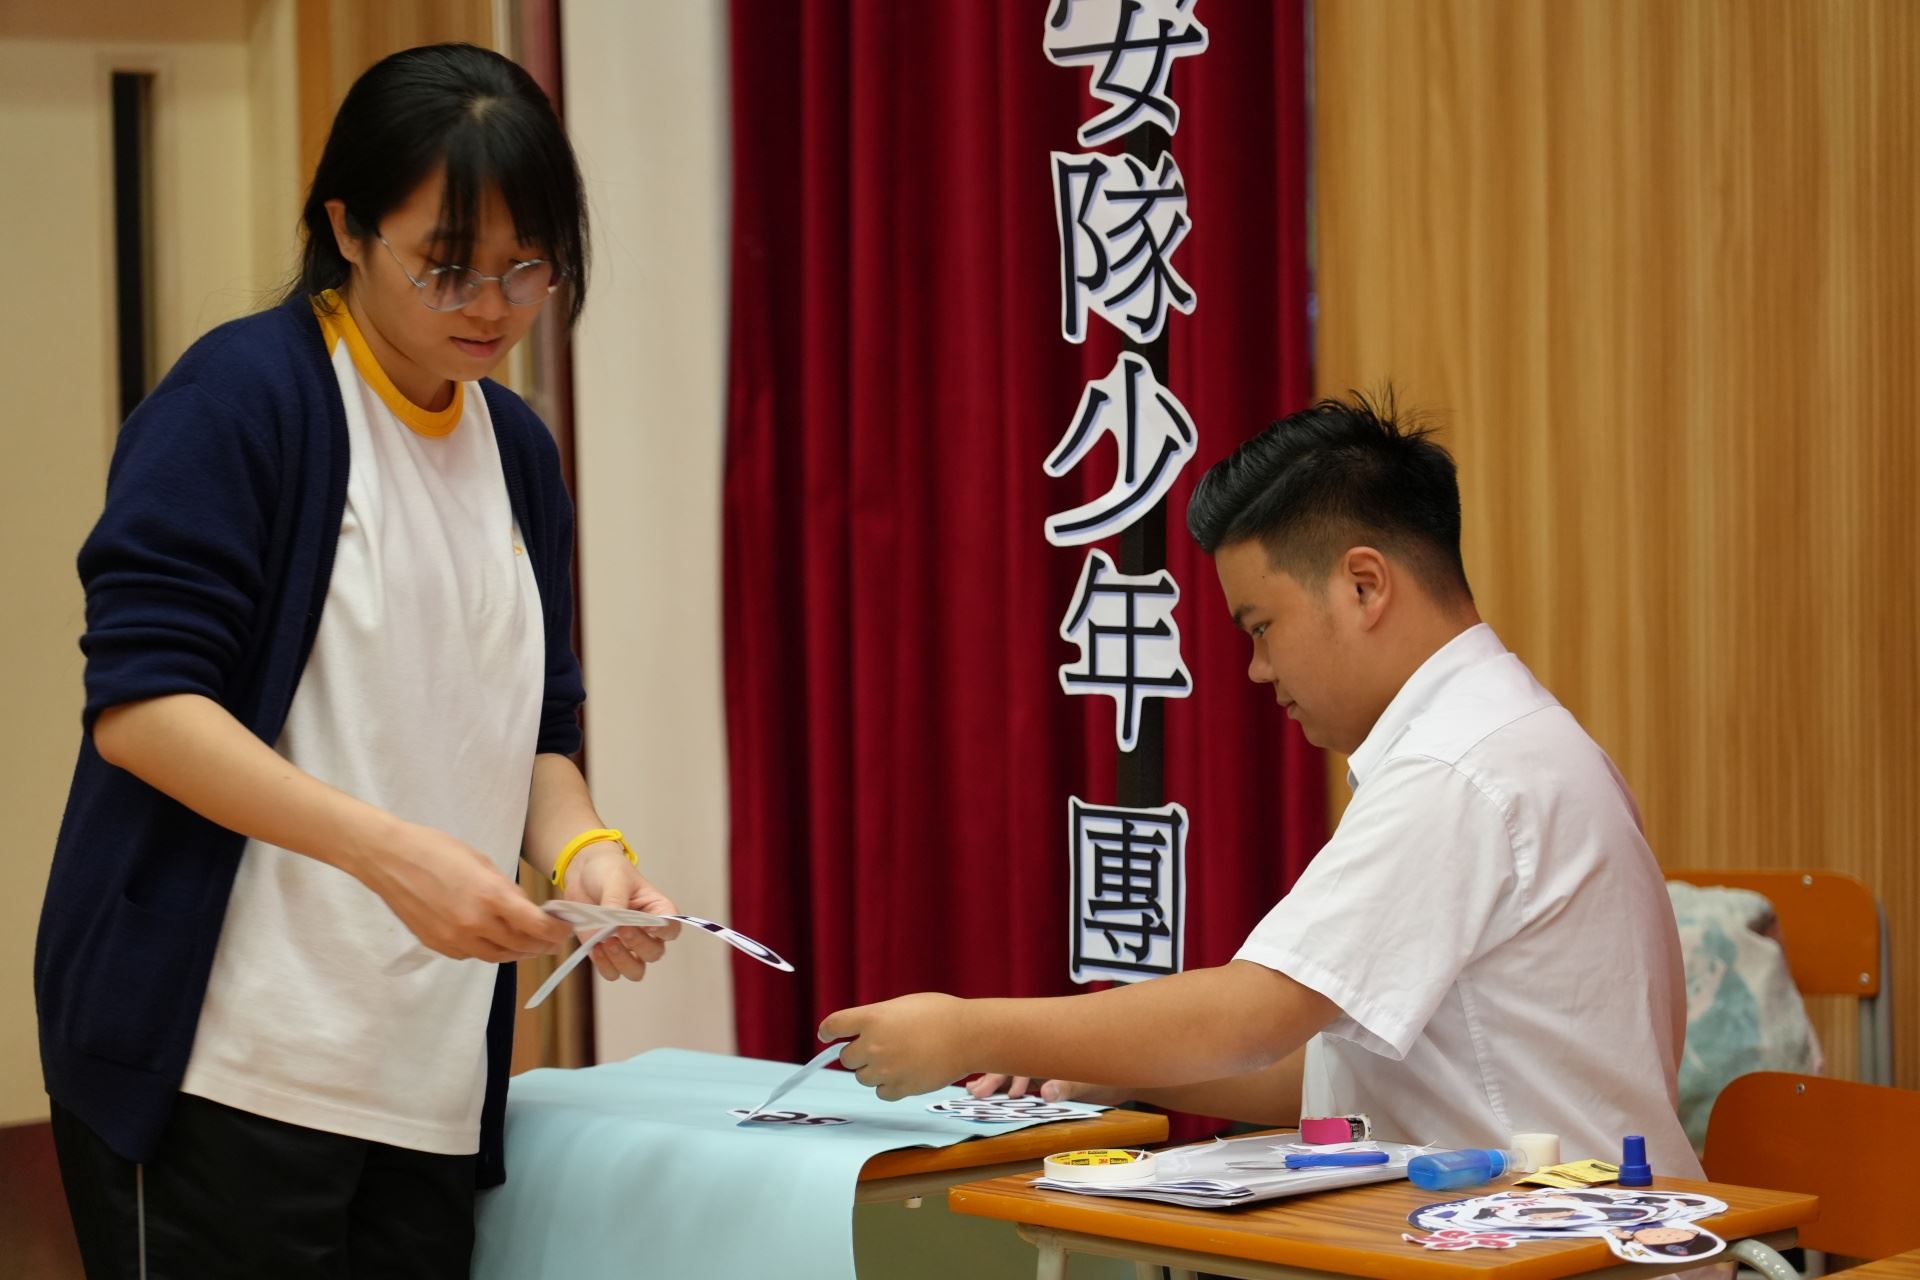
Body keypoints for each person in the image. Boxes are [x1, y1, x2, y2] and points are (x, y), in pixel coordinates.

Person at [35, 43, 679, 1278]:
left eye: (528, 266)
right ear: (345, 227)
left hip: (422, 1072)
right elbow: (146, 708)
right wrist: (393, 855)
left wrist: (589, 858)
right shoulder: (245, 397)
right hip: (228, 1057)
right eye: (447, 265)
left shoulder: (517, 451)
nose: (491, 305)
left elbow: (538, 733)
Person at [822, 393, 1700, 1176]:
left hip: (1562, 1246)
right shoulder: (1496, 732)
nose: (1257, 668)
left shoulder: (1455, 768)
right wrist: (1096, 1063)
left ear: (1364, 585)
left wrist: (965, 1031)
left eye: (1262, 626)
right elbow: (1332, 1072)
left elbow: (1251, 1018)